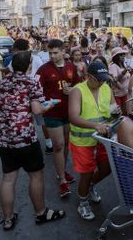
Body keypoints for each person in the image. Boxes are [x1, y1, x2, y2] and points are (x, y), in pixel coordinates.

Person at [0, 51, 65, 230]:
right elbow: (37, 110)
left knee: (8, 178)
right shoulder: (31, 82)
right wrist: (49, 104)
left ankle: (8, 219)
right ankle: (41, 213)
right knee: (36, 176)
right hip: (25, 138)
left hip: (4, 139)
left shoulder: (2, 81)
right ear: (29, 66)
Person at [68, 62, 116, 220]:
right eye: (98, 79)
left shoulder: (106, 88)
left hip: (102, 139)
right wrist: (96, 125)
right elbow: (73, 117)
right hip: (83, 142)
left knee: (107, 168)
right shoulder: (77, 90)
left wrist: (115, 113)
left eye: (104, 79)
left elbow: (111, 111)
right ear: (88, 77)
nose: (102, 82)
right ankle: (83, 202)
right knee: (86, 174)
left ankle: (89, 187)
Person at [36, 39, 81, 198]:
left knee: (67, 144)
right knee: (59, 145)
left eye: (55, 52)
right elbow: (35, 91)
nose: (52, 56)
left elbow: (79, 85)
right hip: (52, 114)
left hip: (68, 113)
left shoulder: (71, 67)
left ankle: (62, 171)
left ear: (63, 52)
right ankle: (62, 180)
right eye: (50, 53)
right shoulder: (43, 70)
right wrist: (42, 105)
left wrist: (73, 90)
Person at [108, 47, 131, 114]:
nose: (123, 56)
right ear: (116, 57)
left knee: (126, 112)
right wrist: (124, 71)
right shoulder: (113, 66)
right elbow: (115, 79)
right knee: (119, 114)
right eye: (121, 54)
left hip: (125, 93)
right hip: (118, 95)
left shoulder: (123, 65)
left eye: (123, 54)